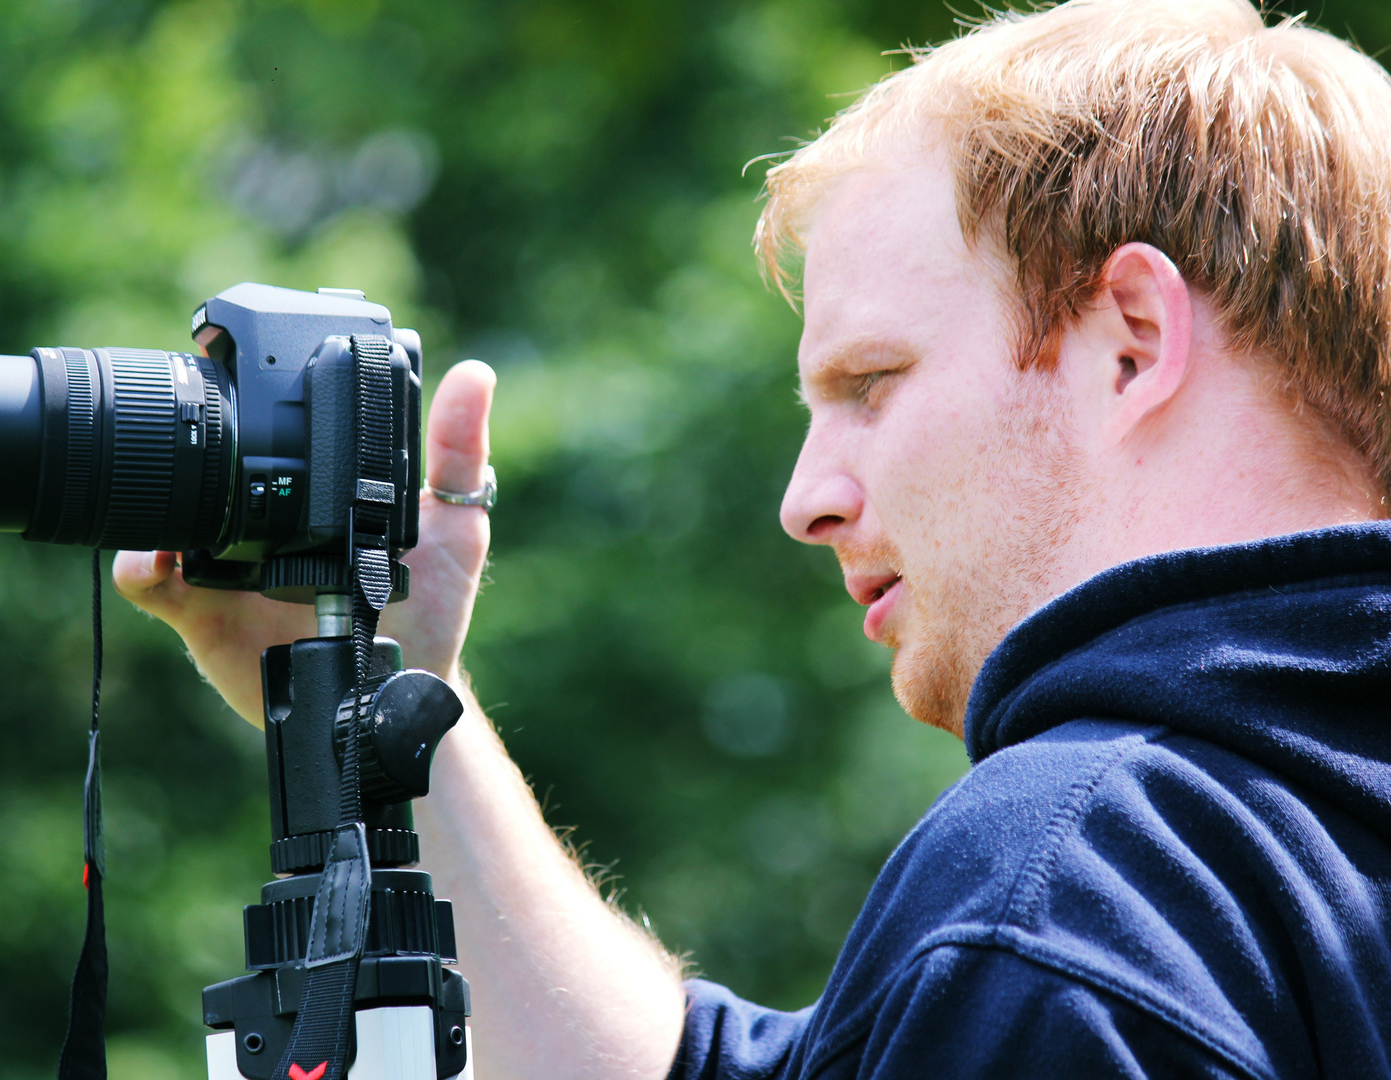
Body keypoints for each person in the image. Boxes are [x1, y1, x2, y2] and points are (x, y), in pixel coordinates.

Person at [118, 0, 1391, 1075]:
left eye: (872, 382)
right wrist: (402, 703)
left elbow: (1014, 974)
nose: (806, 499)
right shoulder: (1256, 872)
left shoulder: (1067, 900)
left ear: (1133, 343)